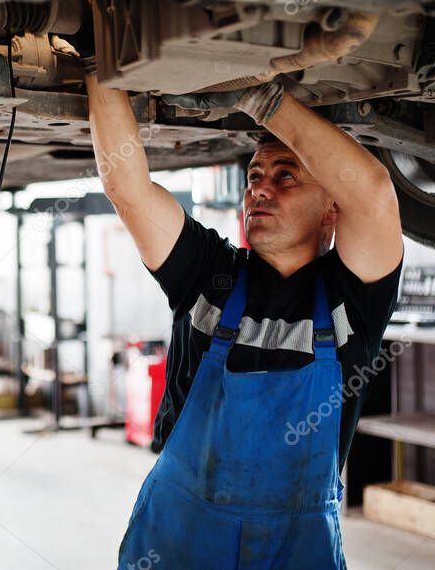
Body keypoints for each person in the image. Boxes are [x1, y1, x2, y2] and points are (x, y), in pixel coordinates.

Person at [87, 75, 403, 569]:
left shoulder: (353, 297)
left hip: (295, 548)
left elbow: (376, 194)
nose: (260, 189)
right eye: (254, 177)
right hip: (180, 537)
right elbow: (127, 188)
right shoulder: (208, 274)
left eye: (286, 176)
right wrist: (102, 65)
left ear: (331, 209)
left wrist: (260, 98)